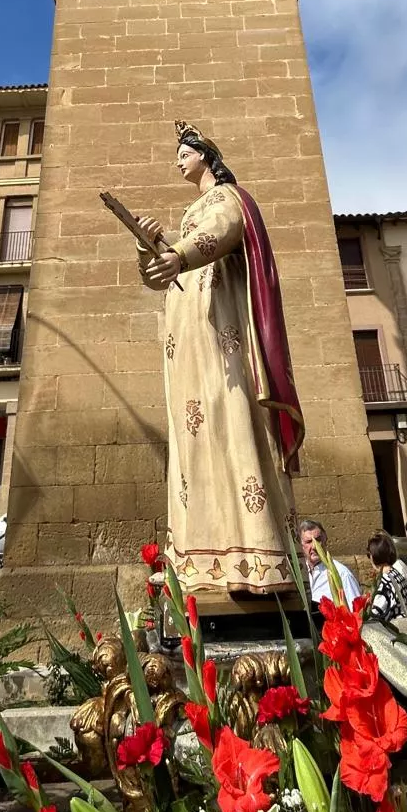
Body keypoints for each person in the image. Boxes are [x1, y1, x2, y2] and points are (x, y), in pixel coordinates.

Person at [137, 121, 304, 593]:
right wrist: (147, 245)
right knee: (196, 437)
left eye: (183, 153)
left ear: (205, 155)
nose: (177, 161)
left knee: (232, 421)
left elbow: (221, 233)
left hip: (221, 336)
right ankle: (202, 557)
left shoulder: (227, 198)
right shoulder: (193, 209)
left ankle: (253, 555)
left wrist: (181, 255)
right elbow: (159, 273)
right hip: (189, 341)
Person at [299, 517, 362, 608]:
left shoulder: (343, 574)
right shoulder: (299, 573)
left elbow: (356, 612)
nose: (314, 546)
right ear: (301, 545)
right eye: (308, 542)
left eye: (318, 540)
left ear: (325, 540)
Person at [365, 530, 407, 623]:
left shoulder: (384, 583)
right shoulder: (396, 574)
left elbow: (375, 617)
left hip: (393, 633)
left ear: (373, 555)